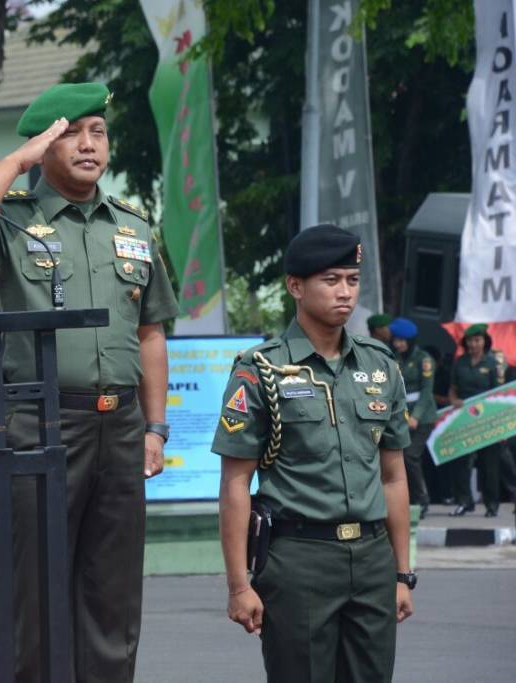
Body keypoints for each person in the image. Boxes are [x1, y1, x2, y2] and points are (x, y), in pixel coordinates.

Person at [0, 82, 179, 682]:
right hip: (41, 421)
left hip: (120, 424)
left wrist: (155, 427)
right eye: (71, 132)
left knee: (114, 588)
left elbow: (151, 333)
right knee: (35, 585)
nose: (88, 144)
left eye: (97, 132)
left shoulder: (132, 225)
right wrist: (16, 162)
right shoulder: (9, 218)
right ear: (43, 146)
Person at [213, 225, 414, 683]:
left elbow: (394, 478)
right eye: (330, 280)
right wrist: (239, 585)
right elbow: (234, 484)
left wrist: (402, 574)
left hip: (371, 559)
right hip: (298, 560)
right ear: (295, 286)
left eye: (352, 280)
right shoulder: (260, 370)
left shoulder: (380, 365)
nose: (345, 292)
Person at [448, 324, 507, 517]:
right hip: (464, 419)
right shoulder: (460, 362)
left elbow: (500, 395)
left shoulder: (493, 363)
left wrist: (500, 428)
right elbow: (453, 388)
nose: (473, 344)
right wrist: (453, 400)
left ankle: (492, 505)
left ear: (485, 341)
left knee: (489, 464)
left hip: (487, 419)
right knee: (461, 462)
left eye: (477, 340)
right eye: (470, 341)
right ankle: (465, 502)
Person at [389, 317, 433, 518]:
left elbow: (426, 391)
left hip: (422, 418)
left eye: (401, 340)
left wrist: (416, 416)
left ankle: (422, 500)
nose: (398, 344)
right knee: (400, 459)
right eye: (396, 340)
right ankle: (410, 499)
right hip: (401, 415)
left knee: (411, 457)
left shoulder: (424, 360)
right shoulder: (395, 359)